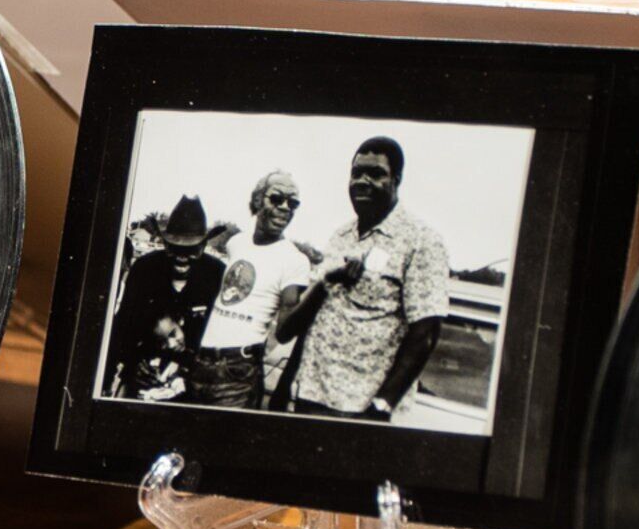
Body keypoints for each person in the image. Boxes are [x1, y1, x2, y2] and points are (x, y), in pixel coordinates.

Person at [279, 137, 449, 421]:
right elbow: (317, 318)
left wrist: (381, 406)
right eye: (356, 173)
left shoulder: (422, 240)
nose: (362, 181)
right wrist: (287, 384)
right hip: (310, 396)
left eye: (375, 173)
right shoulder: (340, 236)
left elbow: (426, 332)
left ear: (396, 179)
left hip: (359, 408)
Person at [187, 169, 317, 408]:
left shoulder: (295, 260)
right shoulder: (236, 243)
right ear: (258, 200)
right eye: (277, 198)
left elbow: (285, 330)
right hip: (201, 360)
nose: (285, 207)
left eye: (293, 203)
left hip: (239, 370)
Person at [107, 195, 227, 400]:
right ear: (164, 243)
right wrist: (109, 375)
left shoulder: (216, 274)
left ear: (204, 245)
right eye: (175, 247)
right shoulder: (144, 268)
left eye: (190, 249)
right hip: (142, 373)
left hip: (192, 380)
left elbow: (220, 336)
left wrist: (189, 371)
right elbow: (123, 326)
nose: (182, 257)